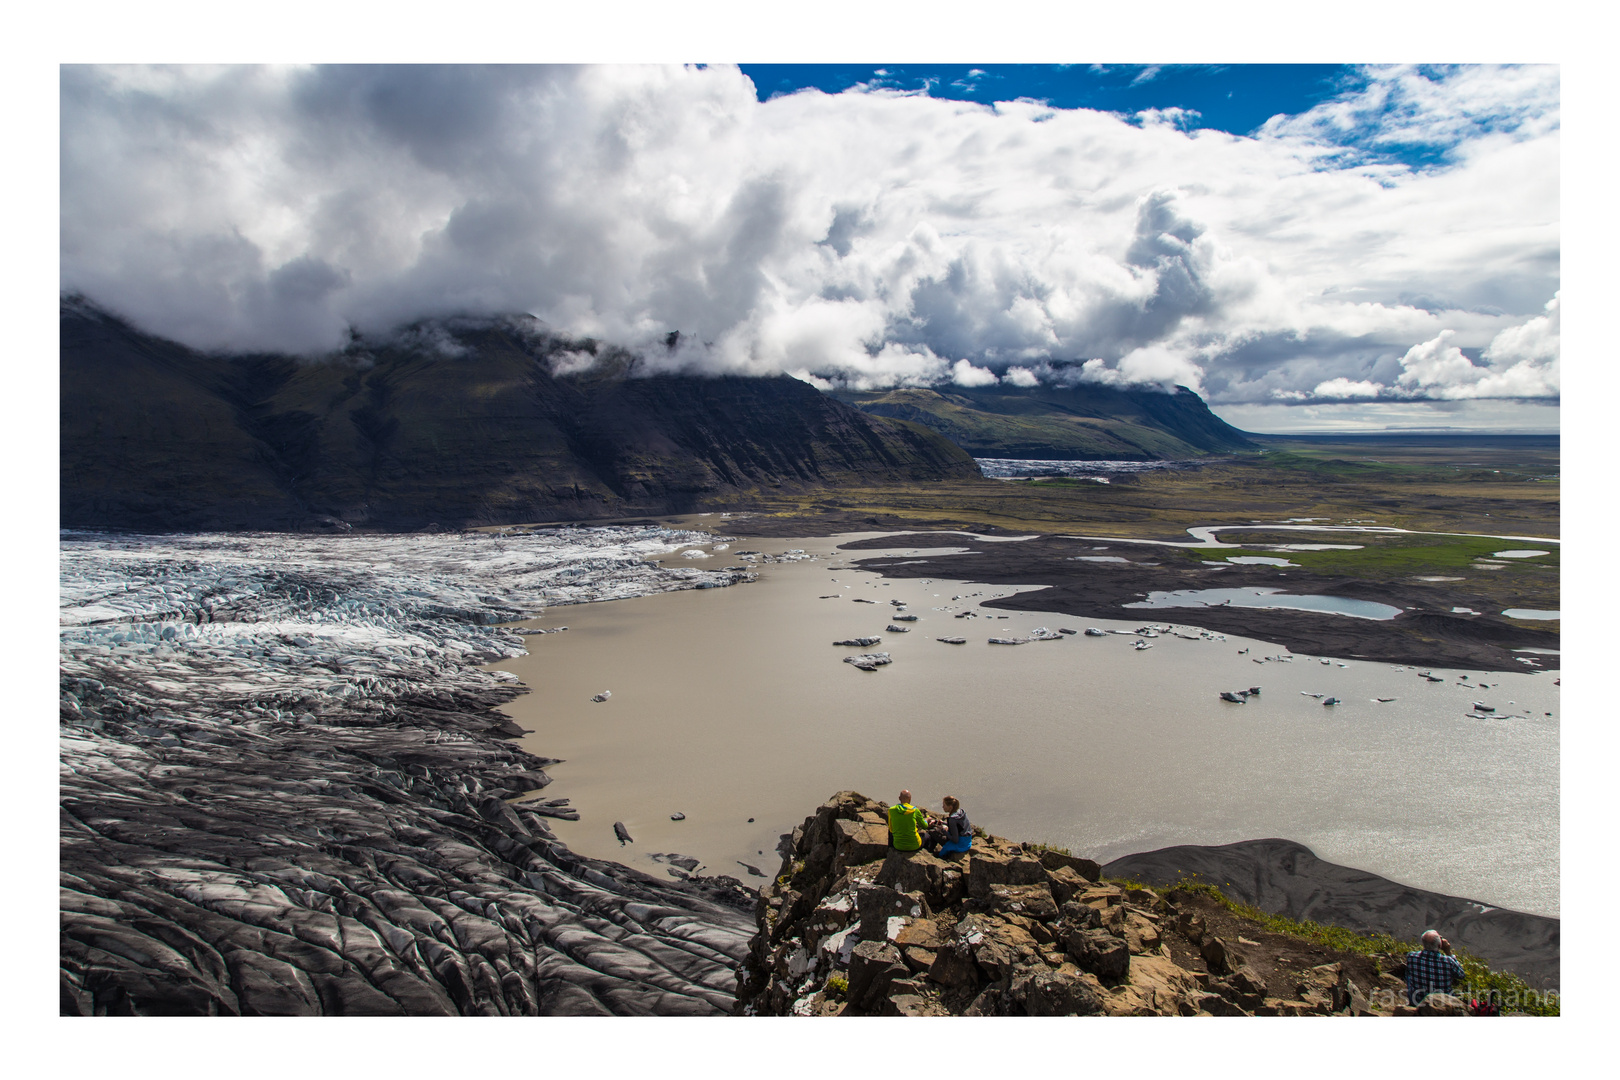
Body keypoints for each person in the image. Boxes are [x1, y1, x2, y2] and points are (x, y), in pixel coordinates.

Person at [1404, 930, 1465, 1005]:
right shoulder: (1448, 961)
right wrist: (1448, 952)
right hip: (1442, 1003)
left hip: (1418, 1001)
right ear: (1440, 945)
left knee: (1409, 975)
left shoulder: (1411, 957)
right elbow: (1461, 975)